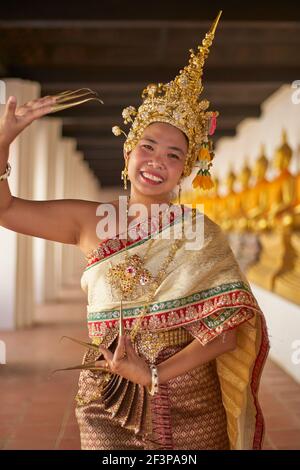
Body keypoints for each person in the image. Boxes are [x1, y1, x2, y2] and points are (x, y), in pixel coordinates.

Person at [0, 11, 270, 450]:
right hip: (106, 397)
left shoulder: (201, 232)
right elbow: (5, 208)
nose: (156, 162)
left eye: (173, 155)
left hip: (190, 401)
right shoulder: (88, 220)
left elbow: (226, 332)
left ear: (185, 170)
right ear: (128, 153)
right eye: (147, 147)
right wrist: (3, 140)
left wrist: (155, 375)